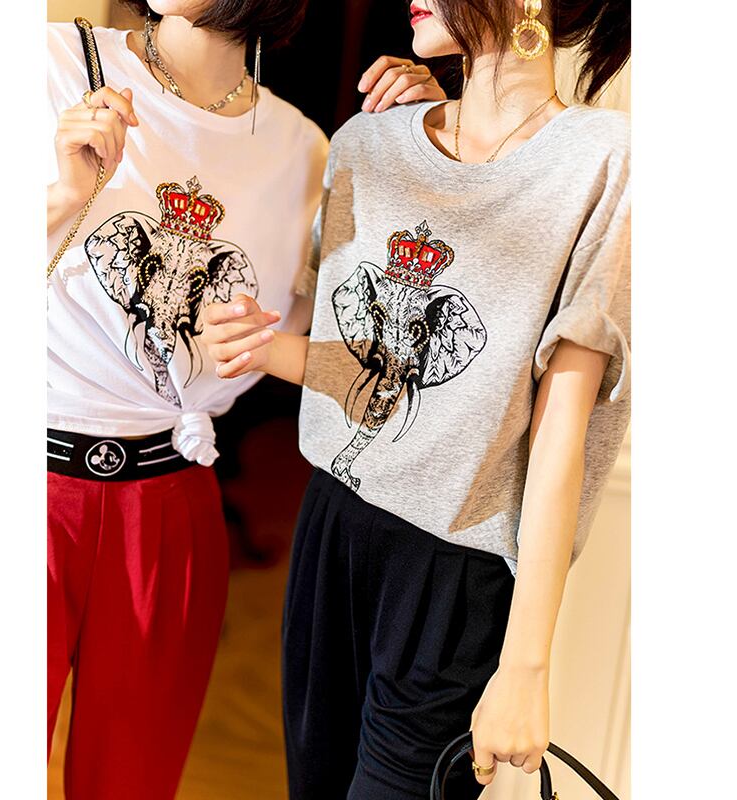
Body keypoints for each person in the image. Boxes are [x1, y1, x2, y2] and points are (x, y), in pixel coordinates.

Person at [202, 0, 631, 797]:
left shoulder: (604, 161)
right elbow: (356, 369)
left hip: (455, 578)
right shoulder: (368, 142)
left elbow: (561, 433)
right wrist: (251, 341)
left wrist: (525, 667)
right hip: (331, 527)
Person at [46, 1, 445, 797]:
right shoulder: (56, 64)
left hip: (171, 506)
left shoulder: (306, 151)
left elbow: (374, 367)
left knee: (132, 783)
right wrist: (64, 195)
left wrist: (432, 142)